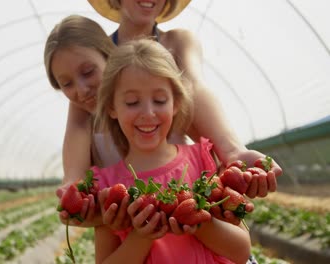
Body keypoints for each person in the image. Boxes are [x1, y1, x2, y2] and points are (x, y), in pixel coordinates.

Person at [44, 13, 277, 227]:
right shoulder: (102, 168)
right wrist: (75, 189)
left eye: (159, 99)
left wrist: (233, 152)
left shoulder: (194, 160)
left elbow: (193, 87)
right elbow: (93, 215)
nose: (82, 89)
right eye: (66, 84)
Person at [91, 39, 251, 264]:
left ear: (175, 103)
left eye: (159, 100)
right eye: (132, 102)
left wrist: (200, 222)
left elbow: (242, 251)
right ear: (111, 108)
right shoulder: (108, 188)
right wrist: (141, 236)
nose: (148, 113)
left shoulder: (202, 160)